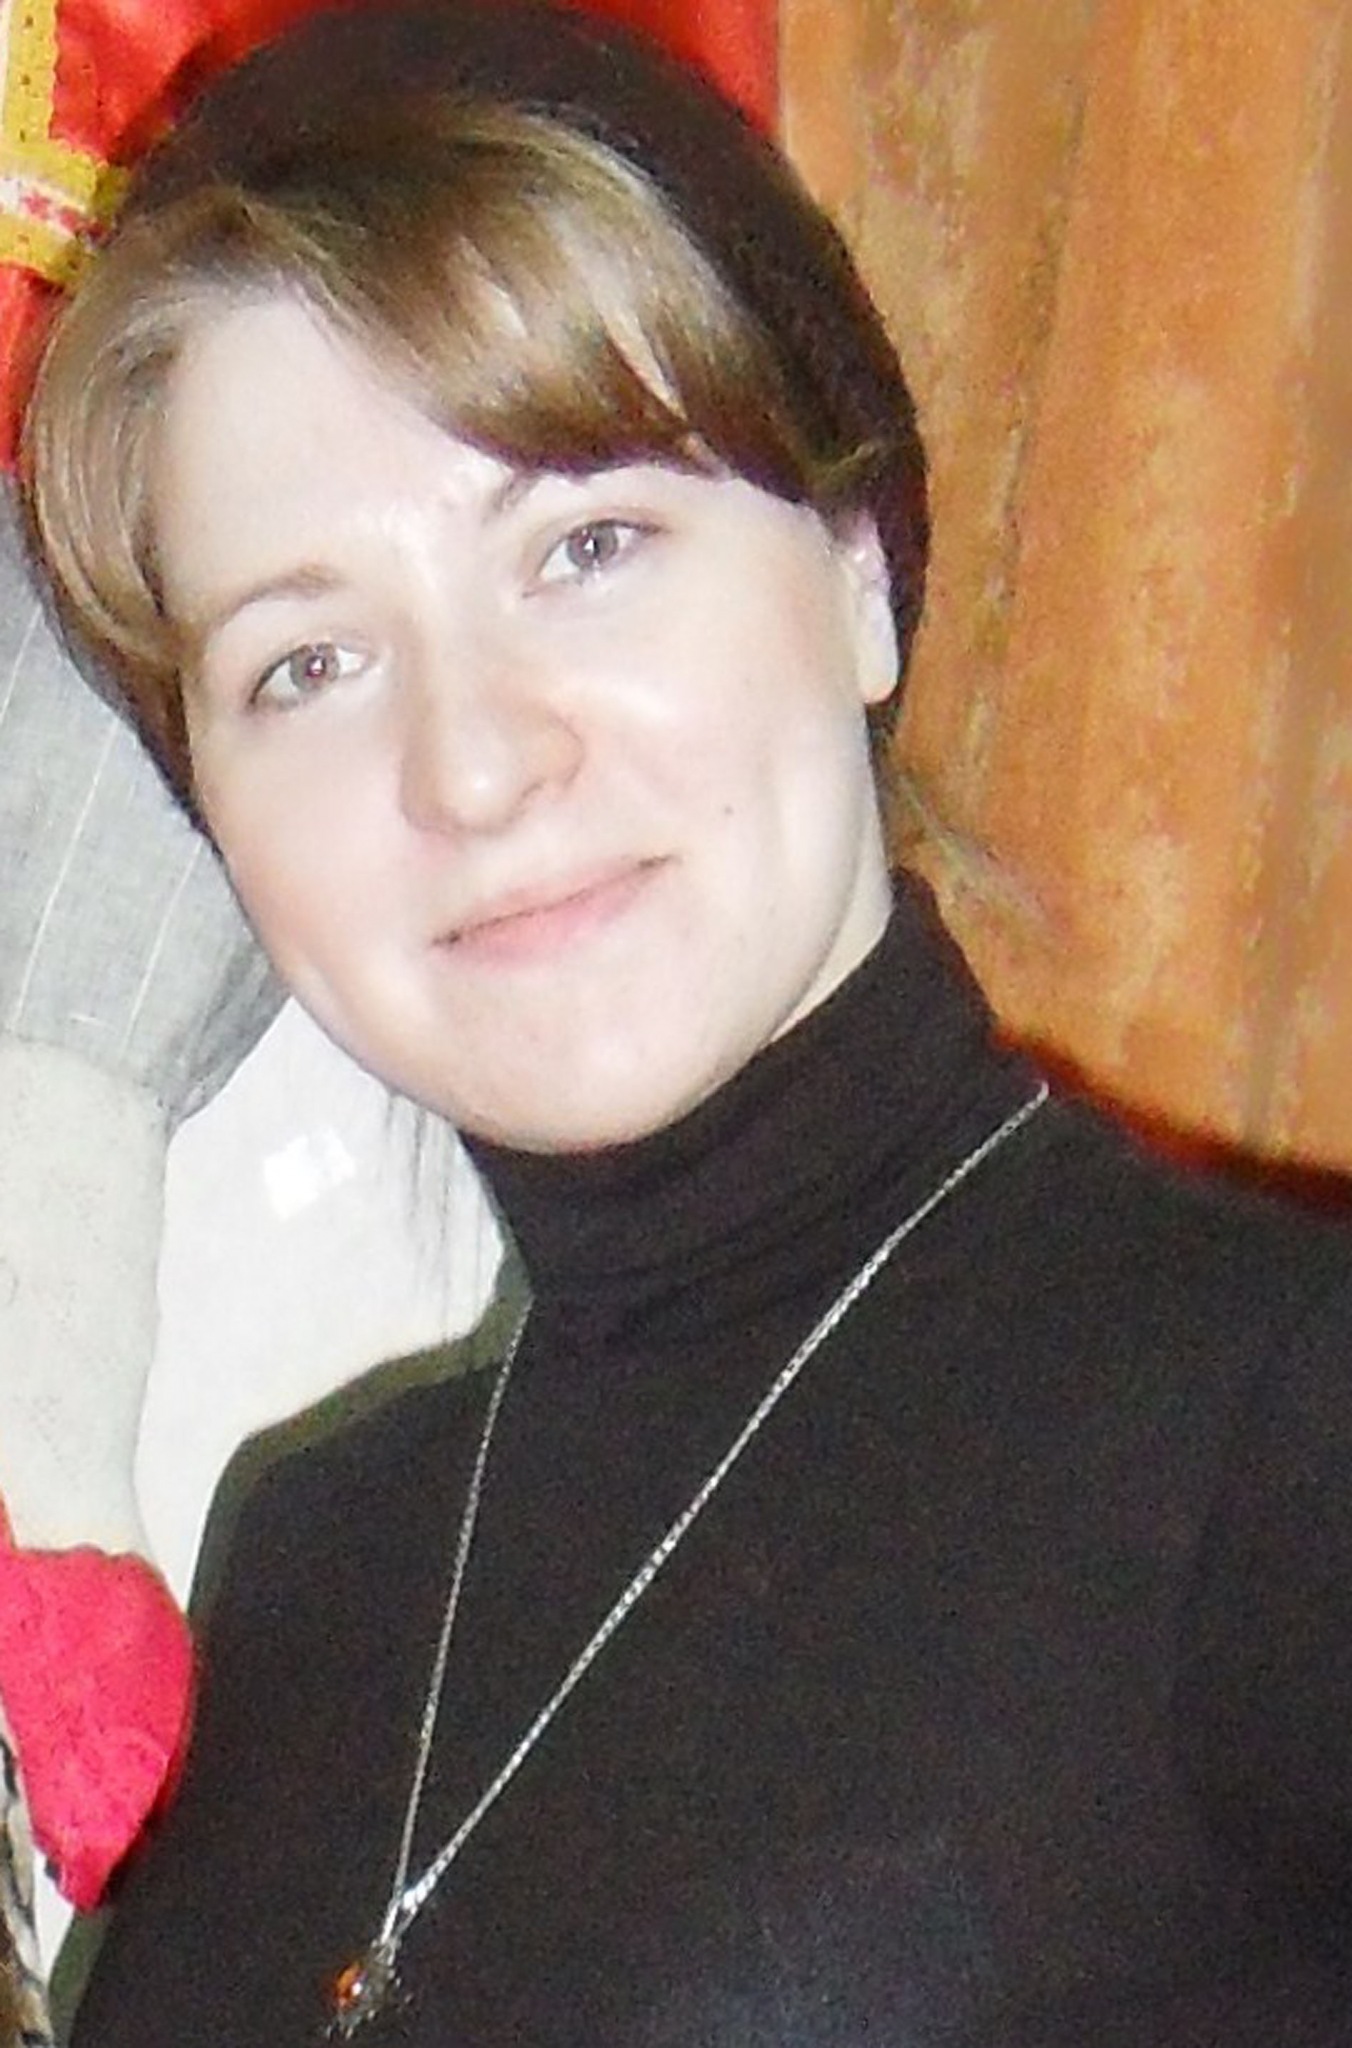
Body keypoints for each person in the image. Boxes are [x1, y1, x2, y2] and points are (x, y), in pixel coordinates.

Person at [21, 3, 1352, 2041]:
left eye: (587, 547)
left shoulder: (1277, 1426)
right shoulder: (316, 1553)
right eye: (306, 664)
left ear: (858, 577)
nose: (473, 764)